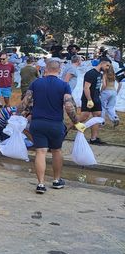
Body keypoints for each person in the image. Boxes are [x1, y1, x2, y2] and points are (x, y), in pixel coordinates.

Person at [18, 59, 84, 194]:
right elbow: (68, 106)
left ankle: (41, 184)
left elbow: (25, 101)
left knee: (40, 152)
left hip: (38, 123)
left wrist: (17, 115)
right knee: (56, 151)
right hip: (55, 123)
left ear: (45, 69)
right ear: (59, 70)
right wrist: (76, 121)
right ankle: (56, 180)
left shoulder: (36, 83)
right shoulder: (64, 85)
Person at [81, 57, 111, 145]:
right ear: (101, 63)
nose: (108, 68)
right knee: (83, 117)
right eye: (107, 65)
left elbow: (102, 86)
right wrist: (89, 100)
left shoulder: (100, 74)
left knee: (97, 116)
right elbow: (86, 88)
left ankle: (93, 139)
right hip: (88, 98)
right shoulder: (90, 73)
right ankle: (65, 130)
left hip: (96, 98)